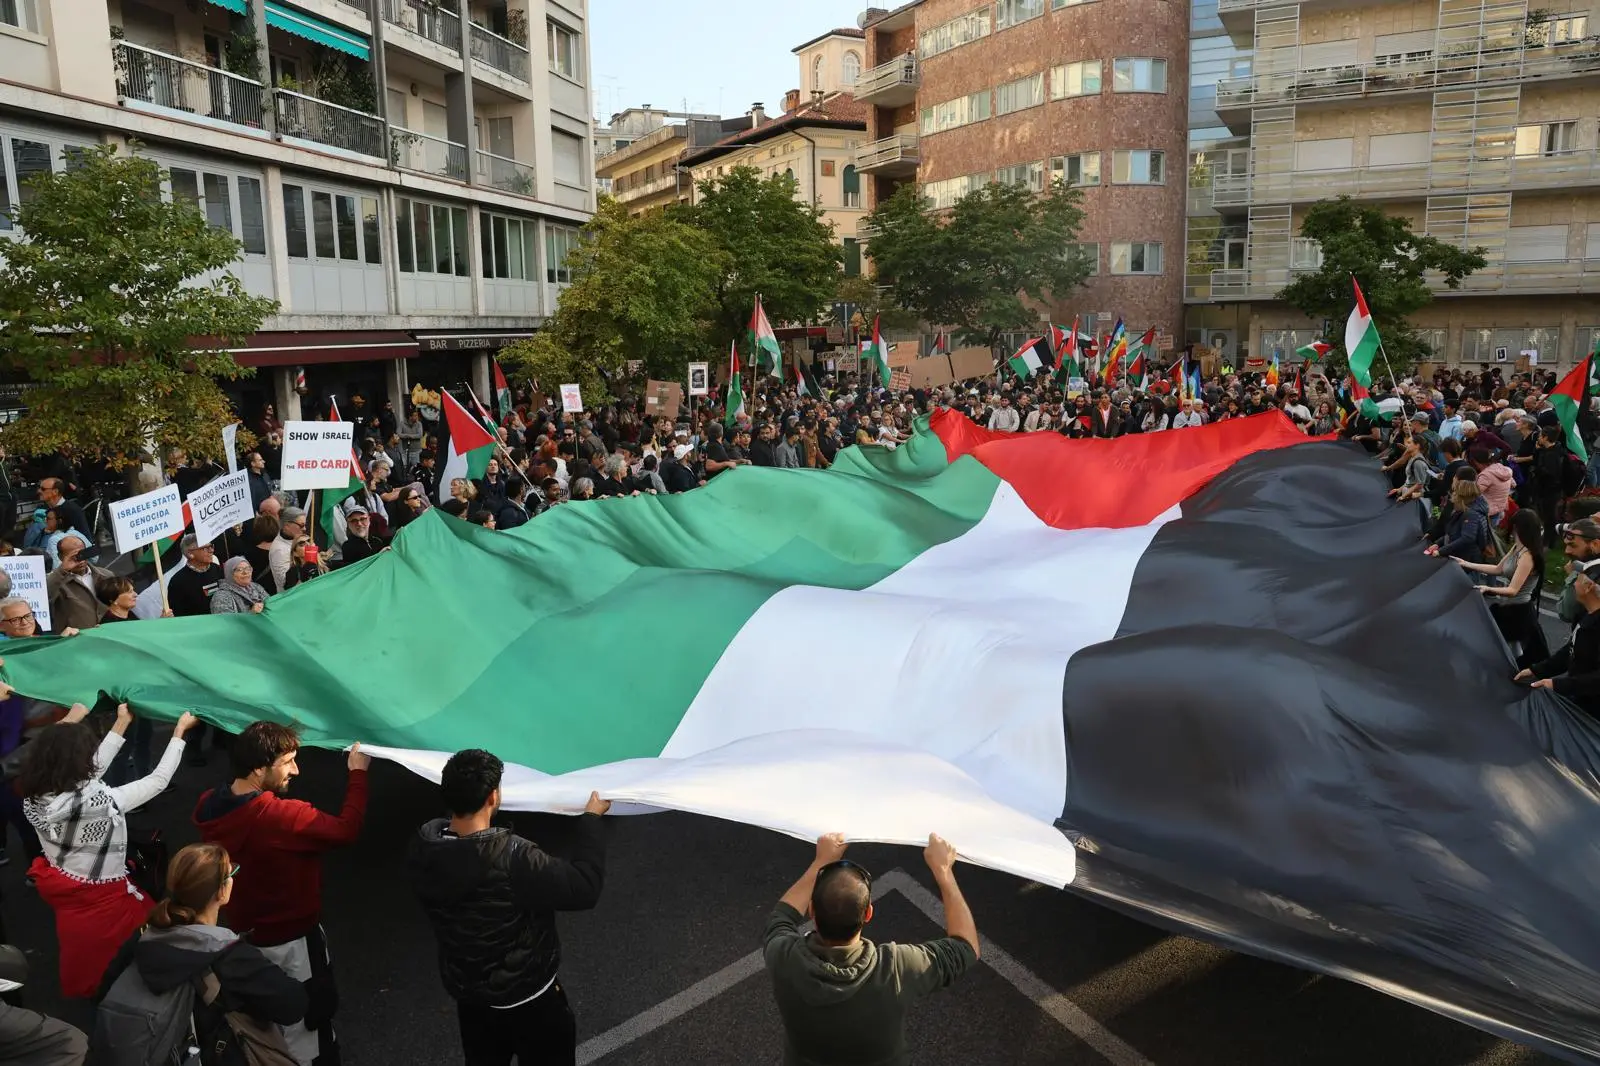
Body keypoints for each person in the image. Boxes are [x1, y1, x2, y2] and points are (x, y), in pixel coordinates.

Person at [406, 749, 608, 1066]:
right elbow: (584, 888)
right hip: (531, 1002)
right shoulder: (514, 856)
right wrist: (592, 821)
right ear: (492, 797)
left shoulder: (424, 849)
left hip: (472, 1001)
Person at [195, 722, 370, 1066]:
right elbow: (346, 830)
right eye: (288, 761)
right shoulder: (282, 816)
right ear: (260, 769)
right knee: (309, 1019)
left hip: (247, 937)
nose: (296, 769)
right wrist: (358, 774)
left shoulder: (209, 806)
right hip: (295, 942)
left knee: (268, 1013)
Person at [19, 703, 199, 997]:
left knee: (89, 955)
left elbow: (89, 773)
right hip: (105, 900)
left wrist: (121, 723)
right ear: (79, 763)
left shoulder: (36, 794)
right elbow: (157, 781)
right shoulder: (98, 804)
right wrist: (179, 732)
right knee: (123, 952)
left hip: (69, 887)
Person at [763, 832, 978, 1066]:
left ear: (812, 910)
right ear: (868, 914)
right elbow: (966, 946)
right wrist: (944, 871)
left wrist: (821, 860)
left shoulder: (782, 956)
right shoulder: (895, 968)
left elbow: (781, 916)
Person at [96, 843, 308, 1066]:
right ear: (222, 891)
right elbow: (294, 1005)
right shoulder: (229, 957)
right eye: (230, 874)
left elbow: (103, 994)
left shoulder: (142, 938)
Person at [1518, 558, 1600, 718]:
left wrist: (1558, 685)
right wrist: (1537, 670)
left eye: (1578, 578)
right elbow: (1571, 650)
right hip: (1577, 700)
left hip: (1591, 715)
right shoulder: (1586, 614)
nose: (1574, 583)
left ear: (1588, 586)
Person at [45, 536, 112, 633]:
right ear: (60, 557)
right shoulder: (57, 581)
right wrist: (62, 570)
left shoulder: (106, 576)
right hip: (76, 640)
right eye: (74, 557)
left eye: (82, 553)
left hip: (108, 635)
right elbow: (45, 595)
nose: (80, 560)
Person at [167, 535, 223, 618]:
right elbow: (178, 615)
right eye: (205, 548)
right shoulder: (177, 581)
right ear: (190, 554)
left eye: (211, 546)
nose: (211, 550)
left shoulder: (217, 569)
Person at [35, 480, 87, 545]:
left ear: (55, 491)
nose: (39, 491)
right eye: (38, 488)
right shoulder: (43, 508)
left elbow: (85, 536)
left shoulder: (72, 509)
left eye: (43, 489)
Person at [269, 509, 307, 594]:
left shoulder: (298, 537)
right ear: (287, 525)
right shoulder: (279, 550)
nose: (305, 528)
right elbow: (286, 583)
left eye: (305, 525)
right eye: (301, 525)